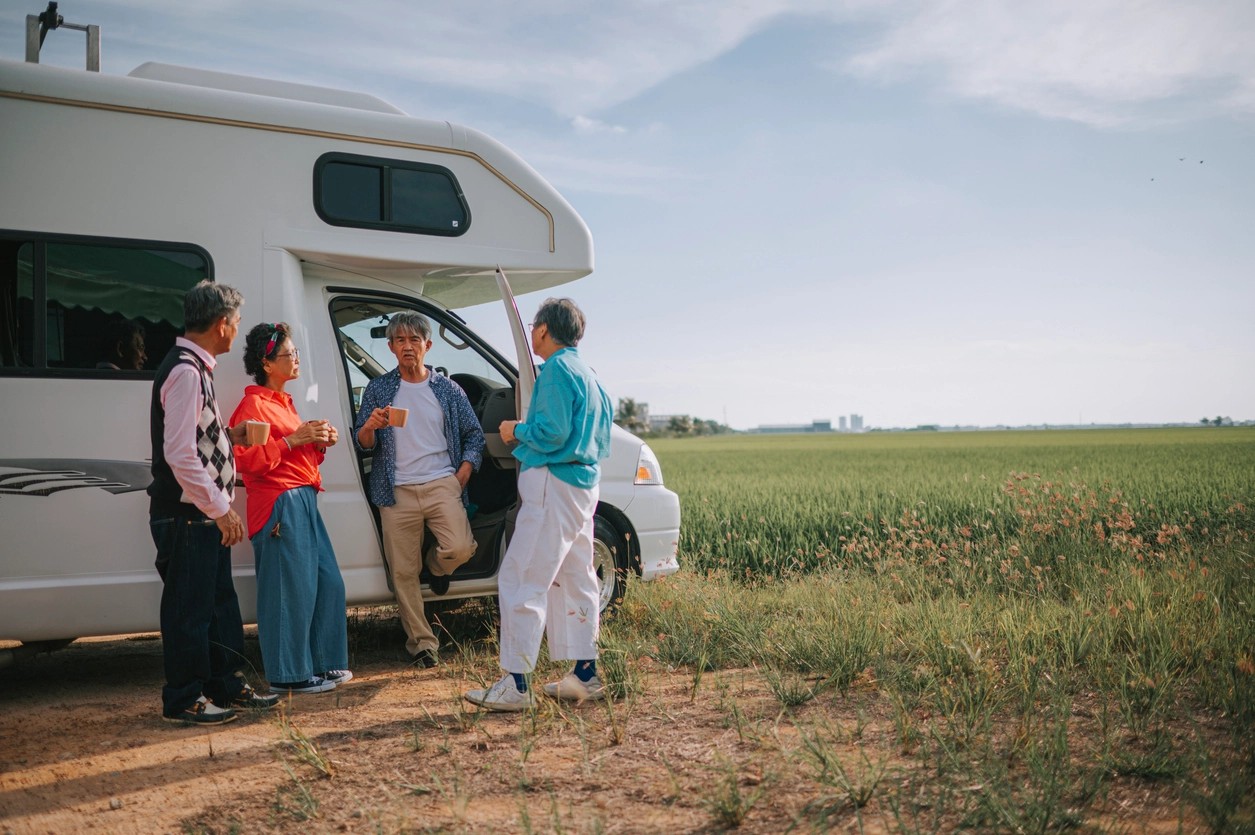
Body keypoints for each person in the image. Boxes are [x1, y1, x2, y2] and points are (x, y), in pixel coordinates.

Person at [464, 298, 613, 711]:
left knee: (521, 576)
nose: (531, 334)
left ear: (544, 330)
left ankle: (516, 683)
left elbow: (549, 432)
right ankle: (585, 674)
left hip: (552, 483)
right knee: (576, 576)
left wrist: (515, 430)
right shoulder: (590, 374)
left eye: (534, 327)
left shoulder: (555, 371)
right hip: (584, 486)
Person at [148, 280, 278, 725]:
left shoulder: (194, 367)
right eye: (236, 323)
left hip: (201, 514)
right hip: (189, 516)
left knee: (219, 605)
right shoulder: (186, 371)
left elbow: (196, 440)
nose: (237, 331)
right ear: (222, 324)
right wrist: (220, 509)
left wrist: (230, 436)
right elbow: (179, 453)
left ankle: (225, 684)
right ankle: (183, 698)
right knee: (190, 610)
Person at [353, 311, 486, 667]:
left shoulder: (447, 389)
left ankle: (437, 568)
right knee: (402, 574)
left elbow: (473, 434)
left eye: (414, 340)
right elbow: (362, 442)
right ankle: (423, 644)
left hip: (443, 482)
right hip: (395, 490)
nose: (407, 346)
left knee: (459, 548)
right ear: (391, 347)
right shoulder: (379, 389)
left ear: (427, 345)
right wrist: (370, 425)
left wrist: (463, 473)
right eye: (400, 340)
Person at [230, 322, 352, 695]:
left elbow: (296, 453)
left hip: (303, 498)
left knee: (326, 582)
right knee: (288, 590)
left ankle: (322, 663)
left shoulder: (283, 403)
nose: (296, 359)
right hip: (278, 503)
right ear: (268, 363)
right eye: (289, 354)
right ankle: (288, 675)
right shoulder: (252, 406)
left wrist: (318, 441)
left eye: (296, 353)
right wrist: (295, 439)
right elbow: (244, 460)